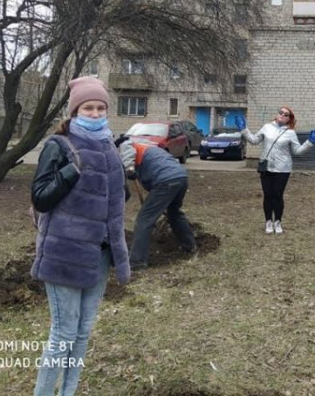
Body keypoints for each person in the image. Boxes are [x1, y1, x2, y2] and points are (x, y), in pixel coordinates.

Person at [30, 76, 130, 396]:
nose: (96, 113)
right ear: (75, 111)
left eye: (101, 107)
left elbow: (118, 197)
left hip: (99, 253)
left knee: (83, 332)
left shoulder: (109, 147)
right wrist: (72, 171)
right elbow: (41, 197)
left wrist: (121, 175)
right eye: (89, 107)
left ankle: (68, 393)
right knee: (63, 333)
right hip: (65, 254)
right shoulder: (59, 146)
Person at [235, 108, 315, 234]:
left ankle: (278, 222)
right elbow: (254, 141)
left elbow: (297, 151)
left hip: (282, 169)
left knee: (277, 195)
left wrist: (310, 142)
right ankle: (268, 221)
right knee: (267, 195)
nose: (282, 115)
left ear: (289, 118)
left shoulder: (290, 133)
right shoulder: (266, 127)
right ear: (277, 115)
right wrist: (244, 129)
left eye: (285, 114)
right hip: (266, 167)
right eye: (280, 112)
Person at [116, 135, 196, 269]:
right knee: (174, 213)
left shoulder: (126, 145)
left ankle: (137, 261)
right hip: (181, 177)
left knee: (144, 219)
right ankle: (190, 246)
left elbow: (128, 156)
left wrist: (129, 169)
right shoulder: (150, 147)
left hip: (166, 180)